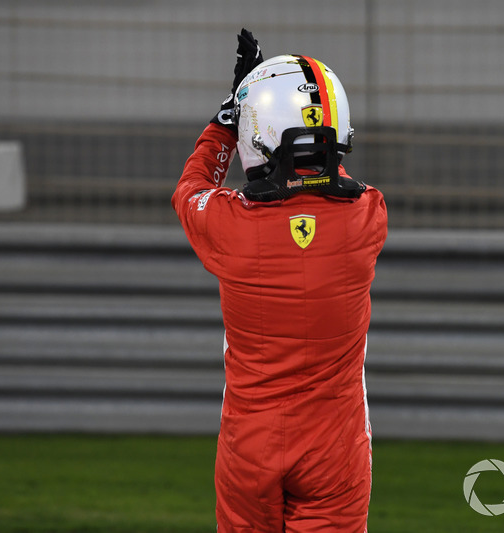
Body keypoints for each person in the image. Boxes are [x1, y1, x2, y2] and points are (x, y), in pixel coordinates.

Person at [172, 29, 387, 532]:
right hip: (337, 449)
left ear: (261, 131)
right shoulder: (369, 216)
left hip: (251, 446)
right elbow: (339, 191)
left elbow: (192, 187)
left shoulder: (229, 225)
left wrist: (227, 117)